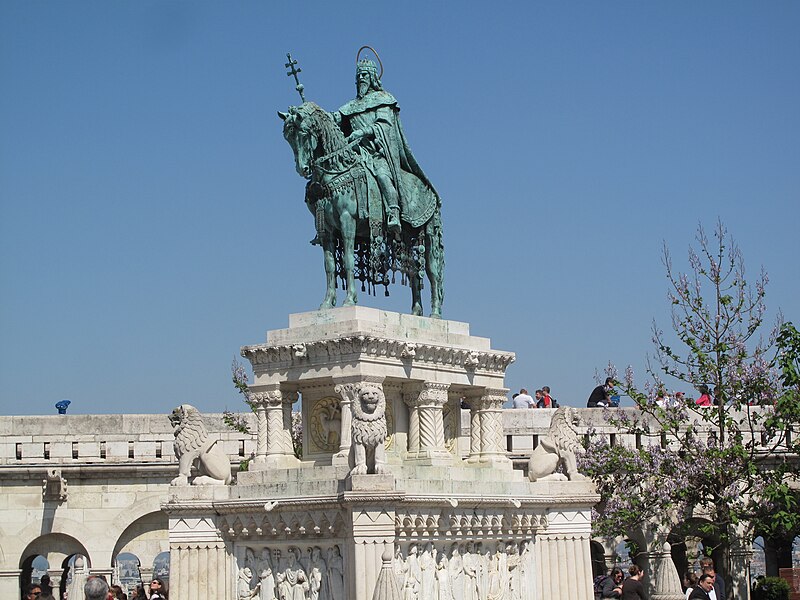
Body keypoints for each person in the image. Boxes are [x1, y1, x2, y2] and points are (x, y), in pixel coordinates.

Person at [333, 56, 440, 237]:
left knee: (382, 175)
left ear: (373, 77)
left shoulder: (383, 99)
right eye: (358, 76)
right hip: (356, 154)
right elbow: (335, 121)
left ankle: (393, 211)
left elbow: (384, 125)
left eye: (365, 75)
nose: (361, 79)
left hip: (377, 153)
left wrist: (362, 132)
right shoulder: (349, 107)